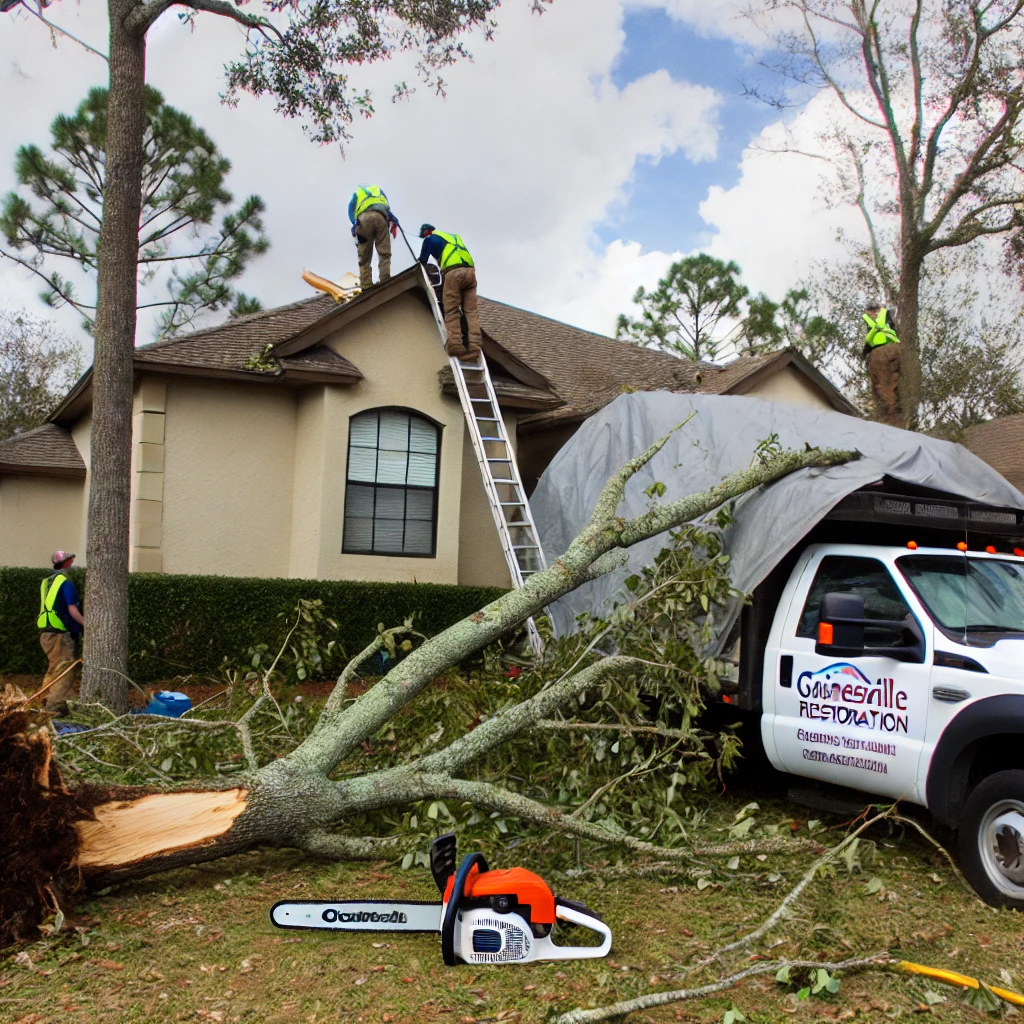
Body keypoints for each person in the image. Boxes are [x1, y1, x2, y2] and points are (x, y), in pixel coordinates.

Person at [418, 224, 482, 359]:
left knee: (451, 310)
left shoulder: (430, 239)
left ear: (427, 232)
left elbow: (422, 260)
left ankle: (456, 346)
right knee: (471, 312)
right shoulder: (454, 237)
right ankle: (474, 347)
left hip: (453, 273)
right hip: (470, 272)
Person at [37, 550, 84, 709]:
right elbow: (72, 610)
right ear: (66, 564)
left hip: (46, 633)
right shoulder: (65, 583)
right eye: (70, 562)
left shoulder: (46, 582)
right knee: (65, 671)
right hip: (60, 634)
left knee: (54, 668)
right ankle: (54, 706)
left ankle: (43, 699)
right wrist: (87, 624)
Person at [348, 185, 400, 291]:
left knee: (364, 258)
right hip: (381, 217)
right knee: (384, 254)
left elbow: (350, 209)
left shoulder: (358, 193)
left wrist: (354, 222)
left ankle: (366, 286)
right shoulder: (379, 191)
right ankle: (385, 281)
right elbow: (387, 209)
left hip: (364, 219)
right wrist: (394, 220)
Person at [862, 300, 902, 427]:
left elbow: (870, 339)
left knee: (884, 386)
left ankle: (893, 418)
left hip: (882, 352)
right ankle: (896, 410)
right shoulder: (887, 313)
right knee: (892, 381)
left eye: (870, 311)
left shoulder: (880, 317)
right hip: (895, 348)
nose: (870, 314)